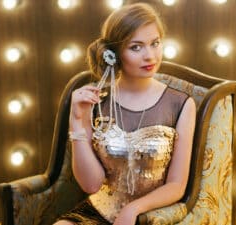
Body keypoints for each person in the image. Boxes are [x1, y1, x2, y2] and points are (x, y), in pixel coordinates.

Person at [54, 3, 196, 225]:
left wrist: (134, 209)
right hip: (97, 213)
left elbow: (177, 186)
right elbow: (91, 185)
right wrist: (77, 121)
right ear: (114, 53)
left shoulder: (181, 104)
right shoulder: (97, 102)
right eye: (136, 47)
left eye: (155, 43)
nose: (150, 56)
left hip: (151, 216)